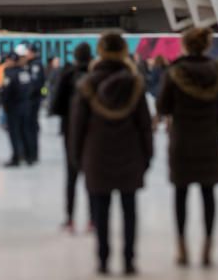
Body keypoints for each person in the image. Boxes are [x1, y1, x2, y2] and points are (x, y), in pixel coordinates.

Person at [71, 33, 153, 276]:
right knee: (130, 210)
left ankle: (103, 259)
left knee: (101, 211)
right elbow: (145, 125)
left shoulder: (87, 85)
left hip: (96, 156)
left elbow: (77, 127)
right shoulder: (135, 84)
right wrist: (147, 156)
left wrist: (77, 158)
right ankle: (129, 260)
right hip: (130, 155)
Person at [157, 27, 218, 268]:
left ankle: (182, 247)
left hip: (182, 140)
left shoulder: (175, 71)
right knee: (208, 194)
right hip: (209, 139)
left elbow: (163, 106)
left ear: (185, 45)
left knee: (181, 194)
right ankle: (207, 247)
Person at [50, 41, 94, 233]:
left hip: (72, 130)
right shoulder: (95, 75)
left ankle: (70, 219)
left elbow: (56, 105)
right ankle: (93, 219)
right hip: (94, 131)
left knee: (71, 176)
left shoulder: (67, 74)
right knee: (92, 177)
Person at [1, 51, 32, 167]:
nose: (6, 62)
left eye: (7, 60)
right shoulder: (24, 72)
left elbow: (6, 92)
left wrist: (4, 104)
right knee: (25, 132)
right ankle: (29, 156)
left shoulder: (9, 73)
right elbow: (30, 87)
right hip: (25, 106)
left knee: (14, 133)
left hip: (13, 108)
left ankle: (16, 158)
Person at [22, 44, 45, 163]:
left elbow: (35, 84)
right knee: (30, 127)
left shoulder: (36, 65)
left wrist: (27, 95)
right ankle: (30, 153)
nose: (27, 54)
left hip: (32, 100)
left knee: (31, 127)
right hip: (32, 99)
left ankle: (32, 154)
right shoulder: (31, 64)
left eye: (28, 52)